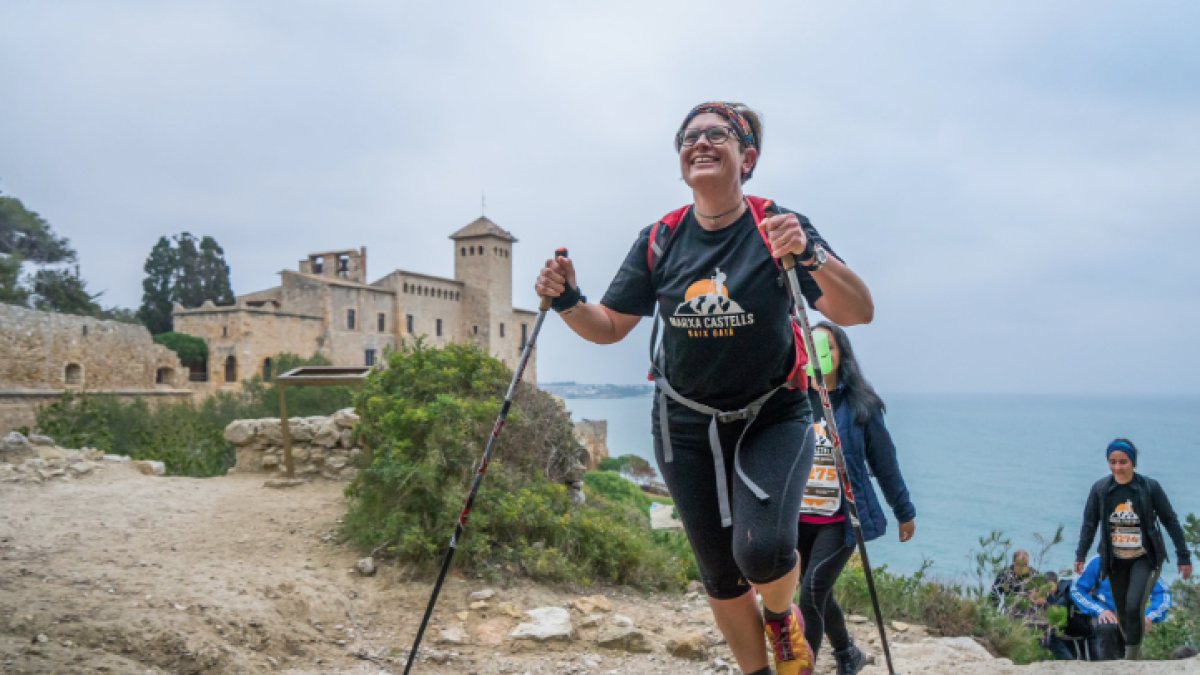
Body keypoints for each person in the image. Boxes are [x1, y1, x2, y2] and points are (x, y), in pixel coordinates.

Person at [535, 102, 874, 675]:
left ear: (748, 157)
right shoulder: (661, 239)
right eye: (689, 137)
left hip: (773, 412)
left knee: (762, 552)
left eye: (718, 134)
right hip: (684, 423)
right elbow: (609, 325)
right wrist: (567, 299)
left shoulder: (778, 225)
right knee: (720, 574)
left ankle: (780, 616)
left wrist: (810, 255)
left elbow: (857, 311)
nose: (700, 143)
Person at [795, 322, 915, 675]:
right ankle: (847, 653)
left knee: (810, 594)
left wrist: (903, 511)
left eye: (828, 347)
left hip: (840, 520)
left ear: (841, 354)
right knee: (817, 591)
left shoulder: (861, 406)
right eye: (813, 346)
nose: (821, 353)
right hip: (796, 518)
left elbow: (884, 462)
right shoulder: (792, 401)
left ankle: (804, 670)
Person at [1073, 438, 1192, 661]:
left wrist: (1183, 556)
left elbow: (1170, 520)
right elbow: (1089, 523)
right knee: (1122, 612)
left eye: (1123, 462)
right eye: (1113, 462)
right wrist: (1081, 554)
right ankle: (1132, 652)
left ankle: (1130, 659)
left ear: (1133, 462)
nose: (1117, 467)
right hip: (1115, 559)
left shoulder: (1149, 487)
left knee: (1133, 605)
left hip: (1144, 557)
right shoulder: (1100, 489)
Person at [1070, 555, 1173, 660]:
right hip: (1103, 612)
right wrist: (1100, 610)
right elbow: (1076, 589)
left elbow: (1163, 594)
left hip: (1131, 616)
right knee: (1108, 627)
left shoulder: (1144, 564)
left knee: (1131, 640)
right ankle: (1107, 664)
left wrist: (1149, 616)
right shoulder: (1099, 561)